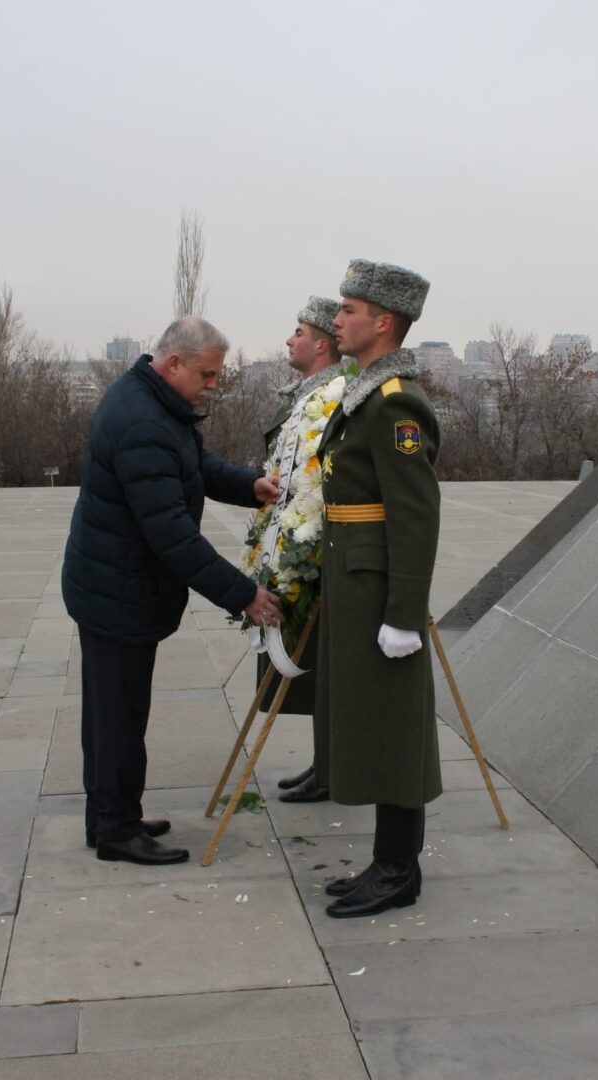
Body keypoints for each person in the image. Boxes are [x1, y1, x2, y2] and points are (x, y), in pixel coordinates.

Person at [62, 316, 282, 866]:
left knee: (113, 710)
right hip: (117, 590)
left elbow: (192, 466)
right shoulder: (142, 420)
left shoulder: (153, 402)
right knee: (118, 715)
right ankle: (115, 829)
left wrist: (249, 485)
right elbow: (173, 537)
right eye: (207, 374)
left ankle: (111, 815)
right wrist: (244, 595)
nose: (213, 385)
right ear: (174, 363)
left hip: (115, 583)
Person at [313, 260, 442, 918]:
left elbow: (415, 517)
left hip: (379, 589)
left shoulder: (397, 402)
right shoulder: (365, 389)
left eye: (349, 309)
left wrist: (403, 616)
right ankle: (386, 861)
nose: (337, 319)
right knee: (374, 719)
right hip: (354, 577)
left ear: (383, 321)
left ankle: (398, 869)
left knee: (393, 726)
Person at [258, 296, 346, 805]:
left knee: (320, 664)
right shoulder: (303, 393)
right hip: (292, 537)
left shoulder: (332, 394)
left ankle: (331, 767)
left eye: (299, 331)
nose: (290, 340)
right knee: (311, 661)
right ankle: (324, 763)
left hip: (314, 545)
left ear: (322, 343)